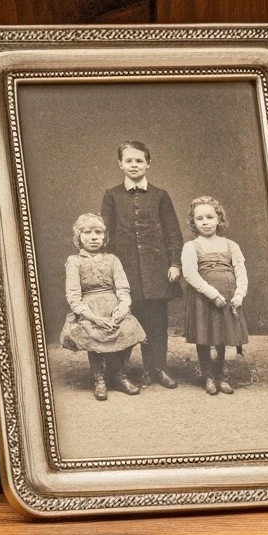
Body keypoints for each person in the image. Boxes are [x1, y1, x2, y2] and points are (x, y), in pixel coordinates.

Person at [100, 140, 183, 390]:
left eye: (139, 160)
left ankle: (156, 368)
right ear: (120, 164)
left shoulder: (160, 196)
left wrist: (175, 263)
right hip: (124, 271)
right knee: (124, 320)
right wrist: (108, 270)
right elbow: (105, 233)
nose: (134, 165)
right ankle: (120, 373)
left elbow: (173, 233)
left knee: (157, 323)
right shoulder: (112, 195)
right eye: (128, 161)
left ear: (148, 163)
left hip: (156, 270)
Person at [57, 213, 144, 400]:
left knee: (129, 328)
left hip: (113, 307)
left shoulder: (112, 259)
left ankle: (120, 374)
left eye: (98, 232)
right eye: (87, 232)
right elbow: (73, 296)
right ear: (78, 237)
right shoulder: (75, 261)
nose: (94, 236)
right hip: (90, 311)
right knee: (93, 333)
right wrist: (93, 318)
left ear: (105, 237)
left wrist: (122, 307)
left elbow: (122, 288)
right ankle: (99, 379)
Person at [181, 195, 250, 396]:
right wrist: (211, 293)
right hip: (204, 298)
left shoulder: (231, 245)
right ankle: (208, 376)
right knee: (205, 336)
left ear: (218, 219)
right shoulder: (191, 246)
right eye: (199, 218)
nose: (205, 222)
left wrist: (239, 294)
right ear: (193, 222)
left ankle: (220, 375)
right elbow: (190, 274)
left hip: (228, 297)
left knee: (221, 336)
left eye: (210, 217)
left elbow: (240, 271)